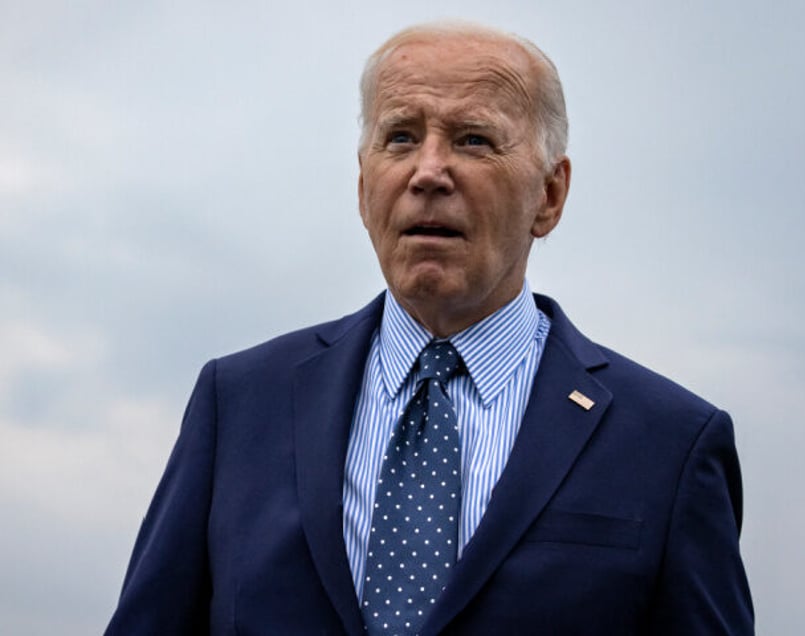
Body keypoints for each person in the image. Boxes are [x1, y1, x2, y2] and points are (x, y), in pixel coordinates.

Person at [106, 21, 754, 635]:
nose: (428, 173)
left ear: (550, 196)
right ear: (364, 188)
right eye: (400, 138)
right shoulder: (239, 405)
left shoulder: (669, 446)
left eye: (473, 139)